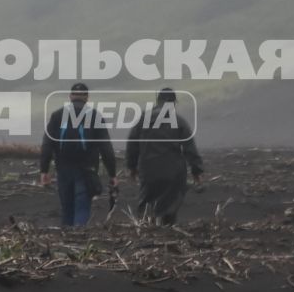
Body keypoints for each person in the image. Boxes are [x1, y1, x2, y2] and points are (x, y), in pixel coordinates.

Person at [38, 82, 117, 227]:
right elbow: (106, 148)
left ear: (70, 96)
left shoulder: (57, 115)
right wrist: (112, 174)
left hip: (63, 169)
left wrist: (44, 170)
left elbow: (47, 144)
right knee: (82, 206)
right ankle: (79, 239)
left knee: (67, 208)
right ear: (87, 98)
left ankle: (66, 240)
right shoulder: (95, 116)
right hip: (86, 169)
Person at [125, 88, 204, 225]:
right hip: (173, 171)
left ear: (158, 100)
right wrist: (196, 171)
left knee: (147, 204)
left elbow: (132, 144)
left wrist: (132, 167)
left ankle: (147, 230)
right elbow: (189, 148)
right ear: (173, 103)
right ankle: (167, 229)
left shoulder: (143, 119)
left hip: (148, 170)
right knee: (171, 203)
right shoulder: (179, 121)